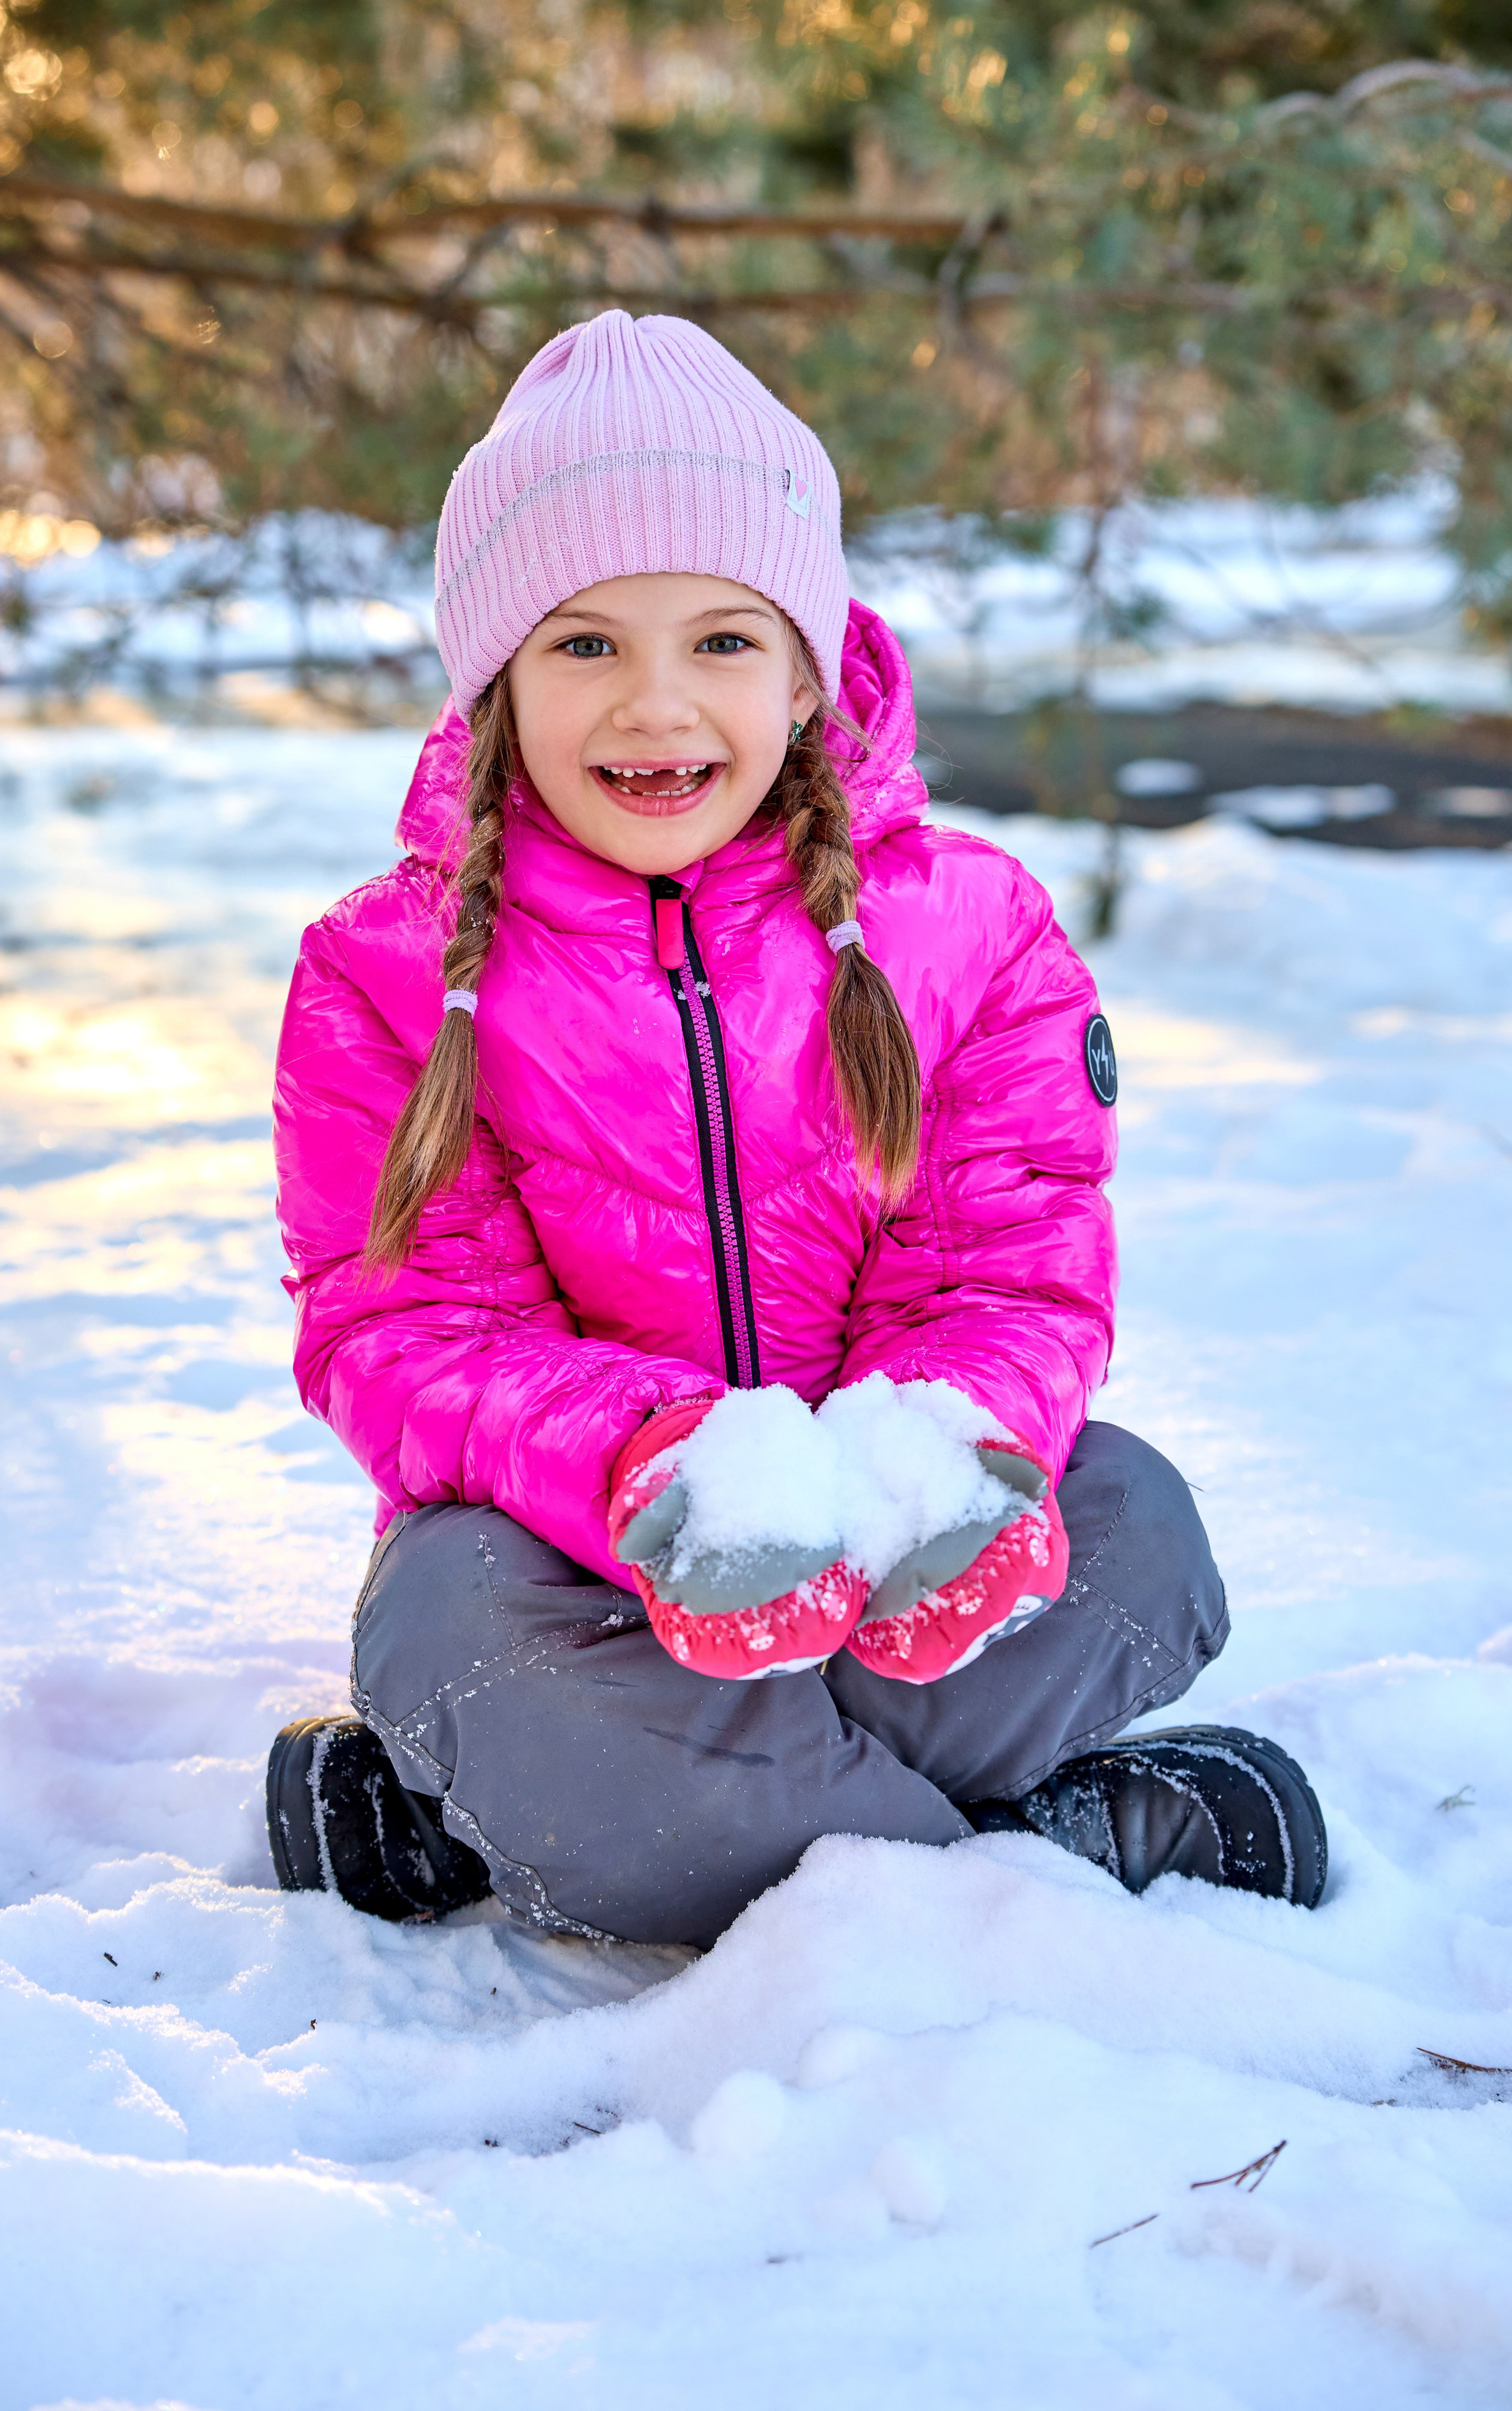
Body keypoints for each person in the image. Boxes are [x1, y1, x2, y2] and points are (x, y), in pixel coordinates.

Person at [265, 312, 1326, 1947]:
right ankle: (1030, 1872)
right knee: (458, 1632)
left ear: (809, 659)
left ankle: (546, 1820)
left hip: (895, 1571)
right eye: (583, 645)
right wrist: (651, 1469)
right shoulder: (387, 975)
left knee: (1134, 1530)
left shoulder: (969, 931)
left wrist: (953, 1456)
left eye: (721, 641)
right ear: (494, 676)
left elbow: (1013, 1263)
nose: (657, 706)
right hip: (589, 1576)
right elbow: (405, 1327)